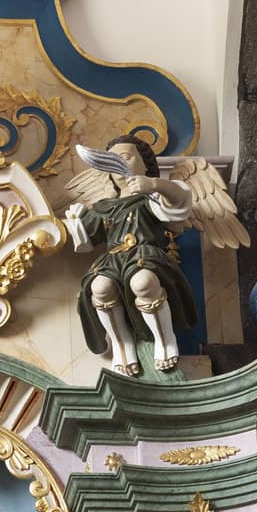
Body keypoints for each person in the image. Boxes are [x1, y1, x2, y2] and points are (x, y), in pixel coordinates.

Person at [64, 131, 195, 375]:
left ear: (146, 165)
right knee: (100, 288)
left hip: (146, 255)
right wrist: (75, 220)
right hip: (113, 260)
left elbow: (179, 206)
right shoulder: (105, 207)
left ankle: (164, 341)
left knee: (143, 282)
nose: (119, 165)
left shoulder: (152, 197)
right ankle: (123, 347)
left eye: (126, 157)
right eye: (111, 161)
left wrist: (154, 185)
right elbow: (85, 240)